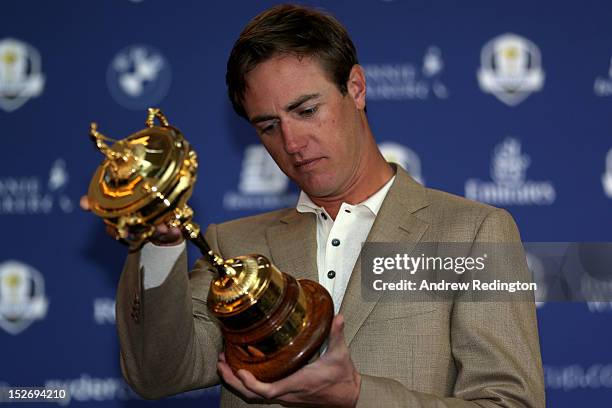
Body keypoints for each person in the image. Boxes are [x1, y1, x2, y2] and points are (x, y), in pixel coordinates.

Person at [88, 4, 545, 407]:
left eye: (306, 110)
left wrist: (357, 396)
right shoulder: (232, 245)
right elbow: (157, 374)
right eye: (268, 126)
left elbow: (510, 404)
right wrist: (158, 245)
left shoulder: (472, 233)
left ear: (357, 88)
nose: (291, 142)